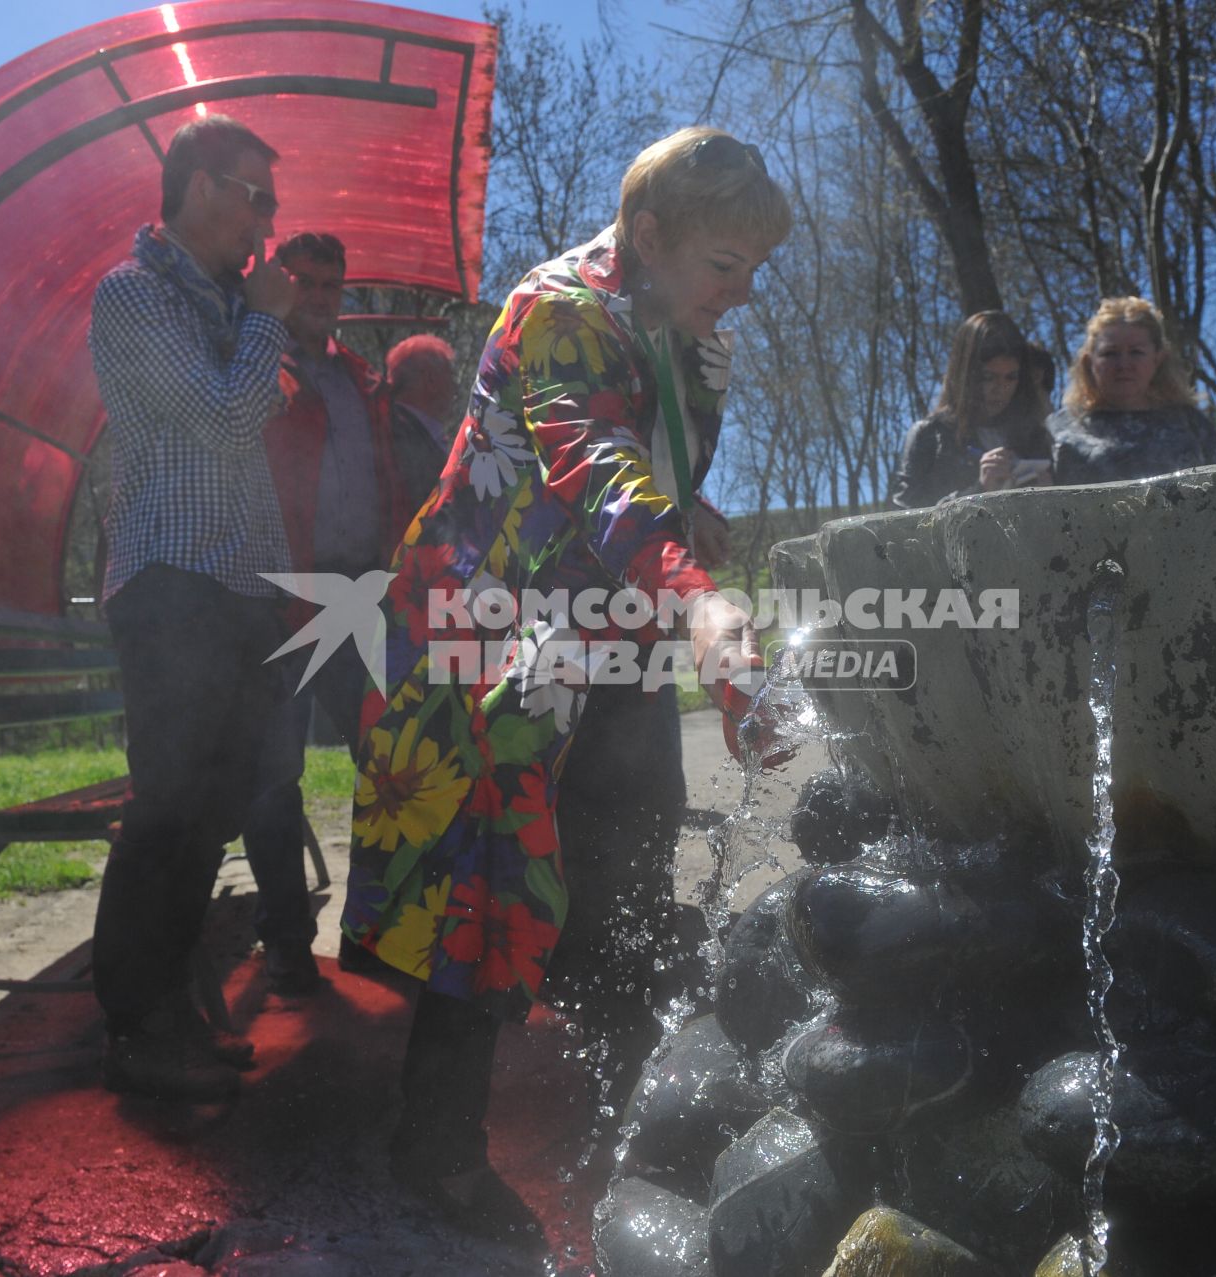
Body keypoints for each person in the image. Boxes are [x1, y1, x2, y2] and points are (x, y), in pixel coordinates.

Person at [340, 126, 790, 1246]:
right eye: (722, 266)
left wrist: (688, 535)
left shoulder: (683, 334)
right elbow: (589, 457)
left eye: (752, 272)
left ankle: (631, 1096)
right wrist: (697, 598)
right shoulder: (563, 309)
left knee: (631, 839)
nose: (739, 295)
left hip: (603, 618)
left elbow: (649, 480)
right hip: (488, 625)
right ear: (647, 235)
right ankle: (434, 1142)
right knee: (484, 873)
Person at [86, 114, 297, 1100]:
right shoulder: (134, 293)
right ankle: (134, 1023)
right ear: (200, 187)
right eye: (256, 194)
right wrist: (265, 321)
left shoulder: (219, 303)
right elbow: (219, 419)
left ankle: (172, 1005)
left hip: (239, 586)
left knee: (213, 810)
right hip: (173, 581)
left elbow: (244, 430)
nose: (268, 216)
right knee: (169, 807)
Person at [241, 231, 413, 996]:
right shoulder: (257, 365)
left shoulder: (360, 379)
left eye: (330, 285)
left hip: (361, 591)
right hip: (283, 591)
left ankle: (374, 929)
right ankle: (284, 937)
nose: (317, 297)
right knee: (272, 770)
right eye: (304, 282)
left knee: (388, 758)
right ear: (281, 285)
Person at [1048, 296, 1216, 484]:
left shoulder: (1191, 424)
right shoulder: (1059, 429)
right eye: (1110, 353)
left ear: (1157, 359)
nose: (1123, 364)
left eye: (1136, 352)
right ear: (1089, 362)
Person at [893, 310, 1052, 506]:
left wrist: (1051, 498)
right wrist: (978, 491)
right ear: (965, 375)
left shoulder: (1035, 438)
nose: (999, 389)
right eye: (988, 377)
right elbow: (901, 525)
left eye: (1011, 377)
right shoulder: (931, 436)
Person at [384, 332, 461, 507]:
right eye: (450, 376)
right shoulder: (401, 434)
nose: (455, 389)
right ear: (431, 381)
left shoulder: (390, 425)